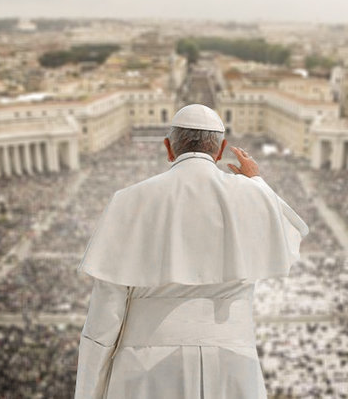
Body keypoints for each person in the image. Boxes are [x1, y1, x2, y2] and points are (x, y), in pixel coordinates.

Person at [74, 104, 309, 399]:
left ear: (168, 148)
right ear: (222, 148)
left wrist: (89, 391)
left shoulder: (129, 200)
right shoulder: (253, 196)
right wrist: (258, 184)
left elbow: (104, 317)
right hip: (234, 363)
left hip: (145, 366)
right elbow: (291, 232)